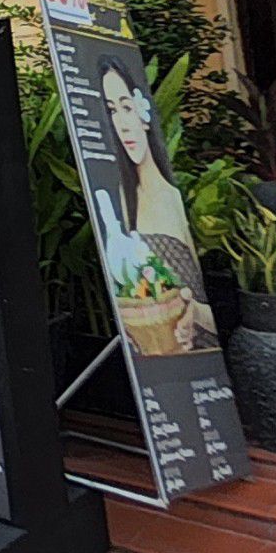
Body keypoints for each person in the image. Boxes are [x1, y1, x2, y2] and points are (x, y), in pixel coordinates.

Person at [88, 55, 218, 353]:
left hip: (201, 360)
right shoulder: (116, 205)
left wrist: (192, 312)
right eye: (111, 113)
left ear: (142, 112)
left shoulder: (171, 198)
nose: (122, 124)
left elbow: (210, 312)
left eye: (125, 107)